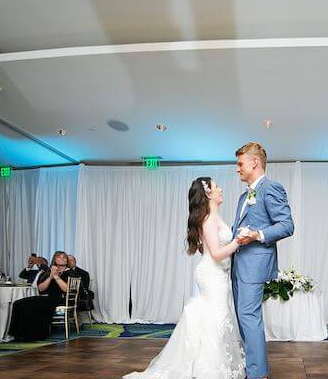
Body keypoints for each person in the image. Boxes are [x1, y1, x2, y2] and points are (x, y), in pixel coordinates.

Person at [124, 177, 246, 378]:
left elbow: (208, 249)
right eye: (217, 187)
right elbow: (215, 254)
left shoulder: (214, 217)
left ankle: (208, 363)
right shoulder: (208, 219)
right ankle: (210, 369)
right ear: (208, 193)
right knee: (217, 319)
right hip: (212, 274)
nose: (221, 189)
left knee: (216, 319)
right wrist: (239, 241)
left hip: (217, 273)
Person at [232, 142, 294, 379]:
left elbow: (287, 225)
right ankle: (254, 368)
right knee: (243, 317)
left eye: (240, 164)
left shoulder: (271, 188)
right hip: (239, 266)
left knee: (249, 316)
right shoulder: (242, 197)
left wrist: (257, 234)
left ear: (254, 162)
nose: (237, 169)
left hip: (255, 265)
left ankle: (257, 375)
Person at [8, 251, 71, 341]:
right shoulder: (49, 271)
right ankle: (18, 334)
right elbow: (41, 289)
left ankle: (34, 335)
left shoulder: (70, 272)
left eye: (64, 257)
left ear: (67, 260)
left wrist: (56, 277)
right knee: (18, 303)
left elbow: (66, 290)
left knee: (33, 305)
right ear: (54, 259)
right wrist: (50, 277)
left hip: (61, 298)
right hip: (47, 297)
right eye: (59, 257)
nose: (62, 259)